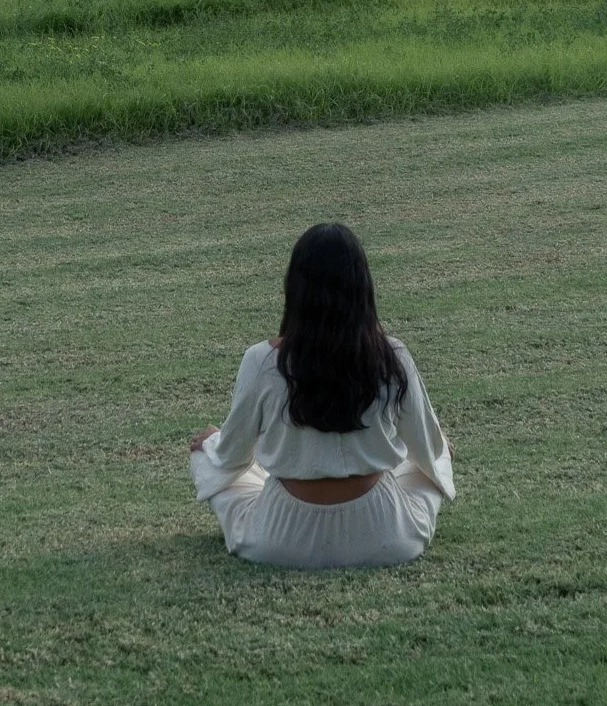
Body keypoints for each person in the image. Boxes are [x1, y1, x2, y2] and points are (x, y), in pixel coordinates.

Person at [189, 223, 454, 569]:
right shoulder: (393, 357)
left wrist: (212, 442)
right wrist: (442, 445)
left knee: (208, 459)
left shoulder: (261, 360)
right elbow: (428, 450)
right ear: (363, 289)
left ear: (295, 289)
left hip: (281, 538)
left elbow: (231, 456)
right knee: (433, 461)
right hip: (384, 537)